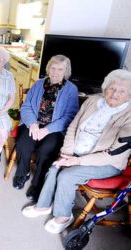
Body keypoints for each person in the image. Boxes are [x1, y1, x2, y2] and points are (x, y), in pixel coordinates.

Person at [22, 69, 131, 234]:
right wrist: (66, 154)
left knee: (67, 175)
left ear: (129, 95)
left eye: (122, 91)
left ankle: (63, 216)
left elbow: (113, 153)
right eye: (111, 88)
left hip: (107, 162)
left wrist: (77, 161)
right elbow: (73, 126)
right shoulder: (93, 101)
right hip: (76, 154)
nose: (114, 93)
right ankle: (43, 205)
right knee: (55, 166)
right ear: (105, 87)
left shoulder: (129, 115)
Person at [13, 55, 79, 202]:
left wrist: (47, 130)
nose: (55, 72)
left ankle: (37, 183)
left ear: (66, 71)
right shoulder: (38, 84)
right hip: (34, 124)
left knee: (46, 150)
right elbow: (27, 106)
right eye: (53, 68)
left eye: (60, 69)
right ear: (48, 68)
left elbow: (69, 116)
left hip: (54, 129)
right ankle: (22, 173)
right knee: (23, 144)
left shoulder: (71, 90)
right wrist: (33, 124)